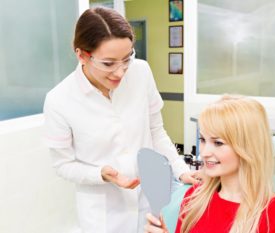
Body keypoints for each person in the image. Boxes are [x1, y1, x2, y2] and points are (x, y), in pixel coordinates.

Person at [43, 7, 200, 233]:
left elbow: (156, 130)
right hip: (103, 214)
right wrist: (100, 174)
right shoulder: (59, 100)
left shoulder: (141, 72)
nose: (120, 72)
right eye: (108, 63)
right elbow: (63, 165)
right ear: (81, 55)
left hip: (148, 200)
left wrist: (180, 169)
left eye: (127, 58)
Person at [145, 95, 275, 233]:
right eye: (203, 140)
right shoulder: (194, 198)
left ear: (248, 147)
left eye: (218, 143)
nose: (204, 152)